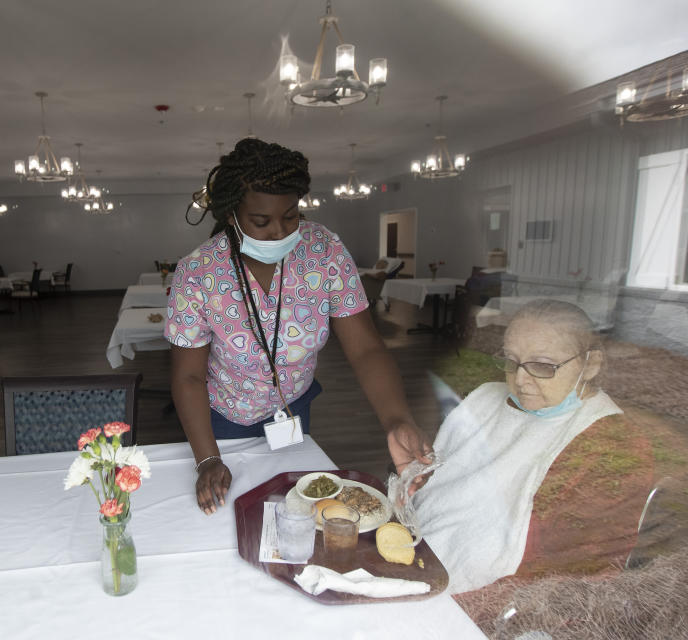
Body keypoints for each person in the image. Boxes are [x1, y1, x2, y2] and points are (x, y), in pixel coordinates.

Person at [165, 138, 432, 515]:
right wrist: (208, 459)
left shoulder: (325, 252)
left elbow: (366, 348)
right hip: (223, 418)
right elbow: (189, 375)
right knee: (230, 513)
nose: (280, 232)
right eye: (261, 221)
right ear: (230, 215)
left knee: (293, 508)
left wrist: (397, 420)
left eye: (290, 215)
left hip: (293, 410)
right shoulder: (198, 272)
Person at [413, 299, 653, 595]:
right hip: (416, 551)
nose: (521, 380)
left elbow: (573, 574)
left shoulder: (611, 447)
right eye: (511, 362)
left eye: (542, 366)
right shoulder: (486, 398)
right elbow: (439, 482)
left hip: (485, 593)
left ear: (591, 364)